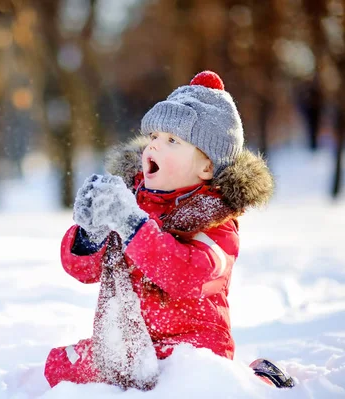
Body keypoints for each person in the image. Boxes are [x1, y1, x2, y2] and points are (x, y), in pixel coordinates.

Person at [44, 71, 275, 388]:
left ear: (207, 166)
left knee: (182, 383)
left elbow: (184, 275)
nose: (154, 147)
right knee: (59, 367)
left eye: (172, 141)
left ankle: (254, 378)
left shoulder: (218, 221)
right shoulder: (132, 200)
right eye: (153, 137)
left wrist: (131, 225)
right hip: (133, 344)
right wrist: (89, 232)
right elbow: (83, 270)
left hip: (192, 347)